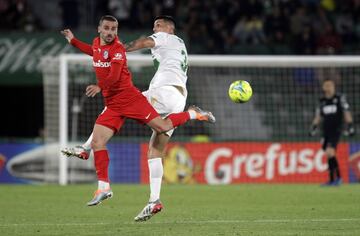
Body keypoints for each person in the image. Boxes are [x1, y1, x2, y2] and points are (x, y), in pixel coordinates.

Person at [60, 15, 215, 208]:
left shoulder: (164, 37)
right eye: (153, 25)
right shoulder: (177, 44)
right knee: (155, 150)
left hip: (163, 92)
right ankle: (153, 200)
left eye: (158, 25)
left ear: (170, 29)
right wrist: (74, 41)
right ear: (100, 29)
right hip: (178, 97)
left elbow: (141, 43)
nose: (155, 28)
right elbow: (95, 51)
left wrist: (118, 50)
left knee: (132, 109)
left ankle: (194, 113)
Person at [310, 79, 355, 186]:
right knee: (328, 155)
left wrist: (350, 126)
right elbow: (318, 116)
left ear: (334, 87)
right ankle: (332, 180)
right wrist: (314, 127)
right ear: (323, 87)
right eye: (327, 85)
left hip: (336, 130)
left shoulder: (339, 99)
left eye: (331, 85)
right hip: (325, 131)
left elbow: (346, 112)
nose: (329, 87)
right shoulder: (322, 102)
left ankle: (338, 178)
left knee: (330, 152)